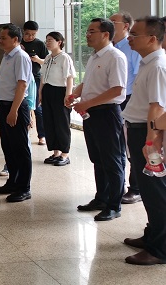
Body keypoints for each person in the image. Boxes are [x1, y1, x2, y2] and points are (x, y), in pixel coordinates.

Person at [69, 18, 127, 222]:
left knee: (112, 161)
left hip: (107, 113)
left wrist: (87, 103)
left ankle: (114, 205)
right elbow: (88, 82)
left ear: (105, 34)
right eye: (87, 31)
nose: (87, 34)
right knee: (98, 159)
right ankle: (101, 198)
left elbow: (117, 90)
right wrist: (75, 93)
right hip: (91, 114)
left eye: (92, 31)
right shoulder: (94, 57)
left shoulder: (115, 57)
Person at [121, 17, 166, 265]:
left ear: (151, 38)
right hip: (139, 130)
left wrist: (151, 143)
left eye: (135, 34)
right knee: (149, 191)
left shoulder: (158, 65)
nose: (129, 38)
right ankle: (151, 235)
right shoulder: (147, 62)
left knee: (156, 192)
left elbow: (157, 107)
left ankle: (160, 249)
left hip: (148, 135)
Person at [0, 24, 33, 202]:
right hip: (4, 105)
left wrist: (13, 110)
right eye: (0, 37)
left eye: (4, 38)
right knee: (8, 147)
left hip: (16, 107)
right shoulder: (7, 56)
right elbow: (3, 84)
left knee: (20, 148)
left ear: (15, 39)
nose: (0, 41)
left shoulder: (21, 57)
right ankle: (13, 182)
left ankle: (24, 187)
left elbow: (22, 85)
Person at [111, 12, 143, 205]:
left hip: (129, 99)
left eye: (113, 22)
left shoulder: (133, 48)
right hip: (114, 101)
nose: (109, 24)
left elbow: (138, 77)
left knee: (132, 147)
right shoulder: (111, 48)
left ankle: (136, 189)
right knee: (118, 146)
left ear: (125, 26)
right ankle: (117, 185)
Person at [40, 32, 75, 166]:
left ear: (59, 42)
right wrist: (40, 93)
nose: (47, 43)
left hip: (60, 91)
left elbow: (69, 77)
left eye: (50, 40)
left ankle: (65, 154)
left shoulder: (64, 57)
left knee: (61, 123)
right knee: (50, 122)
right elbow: (43, 77)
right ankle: (56, 153)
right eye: (46, 40)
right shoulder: (48, 57)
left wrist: (68, 95)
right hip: (48, 90)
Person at [20, 21, 49, 146]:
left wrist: (37, 60)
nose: (30, 37)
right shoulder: (18, 43)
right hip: (20, 78)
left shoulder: (39, 44)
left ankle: (42, 135)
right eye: (28, 34)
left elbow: (46, 62)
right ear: (23, 32)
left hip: (35, 78)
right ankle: (23, 133)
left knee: (37, 107)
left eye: (33, 34)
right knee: (21, 106)